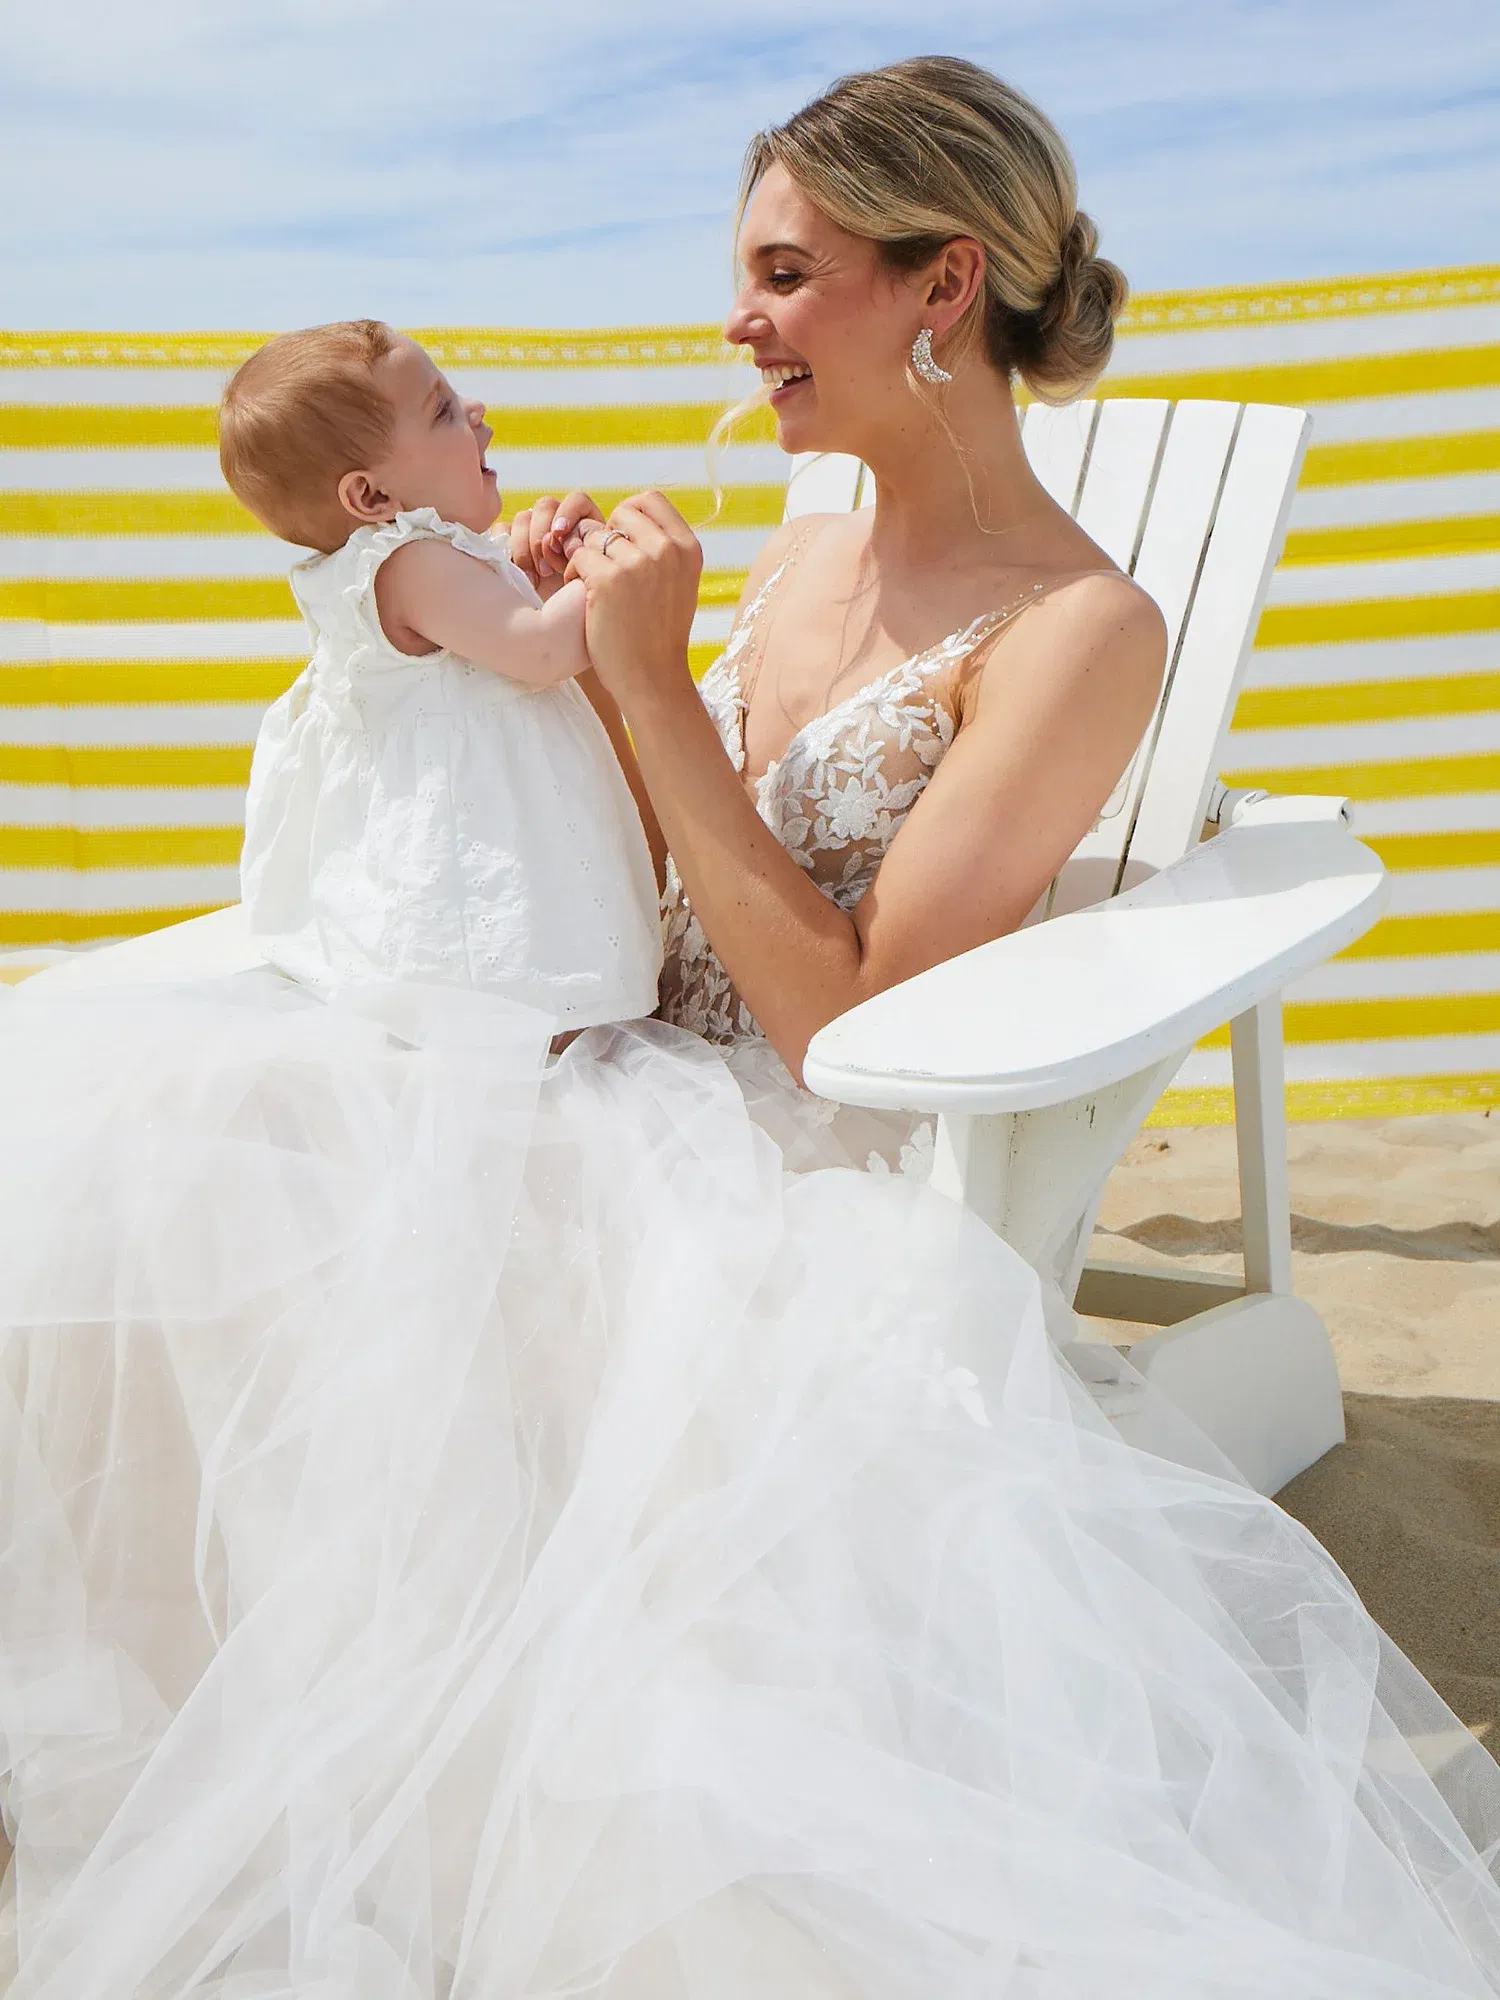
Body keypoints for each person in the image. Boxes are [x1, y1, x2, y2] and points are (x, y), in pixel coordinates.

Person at [1, 53, 1499, 2000]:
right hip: (598, 1067)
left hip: (774, 1171)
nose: (739, 321)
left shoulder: (1078, 633)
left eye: (786, 275)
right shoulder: (807, 542)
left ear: (941, 286)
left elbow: (836, 1024)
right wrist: (561, 674)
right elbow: (644, 868)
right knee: (120, 1116)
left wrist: (651, 692)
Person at [220, 320, 661, 1031]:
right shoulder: (410, 562)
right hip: (474, 878)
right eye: (443, 411)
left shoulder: (408, 563)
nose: (476, 412)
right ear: (370, 498)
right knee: (527, 1026)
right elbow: (543, 652)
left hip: (455, 862)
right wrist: (605, 561)